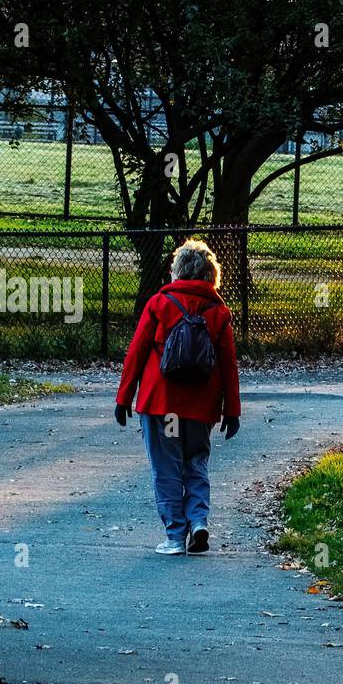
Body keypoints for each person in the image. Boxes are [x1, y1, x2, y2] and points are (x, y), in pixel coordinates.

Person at [115, 238, 240, 555]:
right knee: (196, 462)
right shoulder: (218, 311)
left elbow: (137, 353)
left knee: (167, 467)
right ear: (211, 275)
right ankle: (198, 521)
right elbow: (228, 364)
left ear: (178, 271)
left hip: (162, 404)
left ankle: (174, 536)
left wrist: (124, 397)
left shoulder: (160, 303)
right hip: (200, 406)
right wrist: (232, 410)